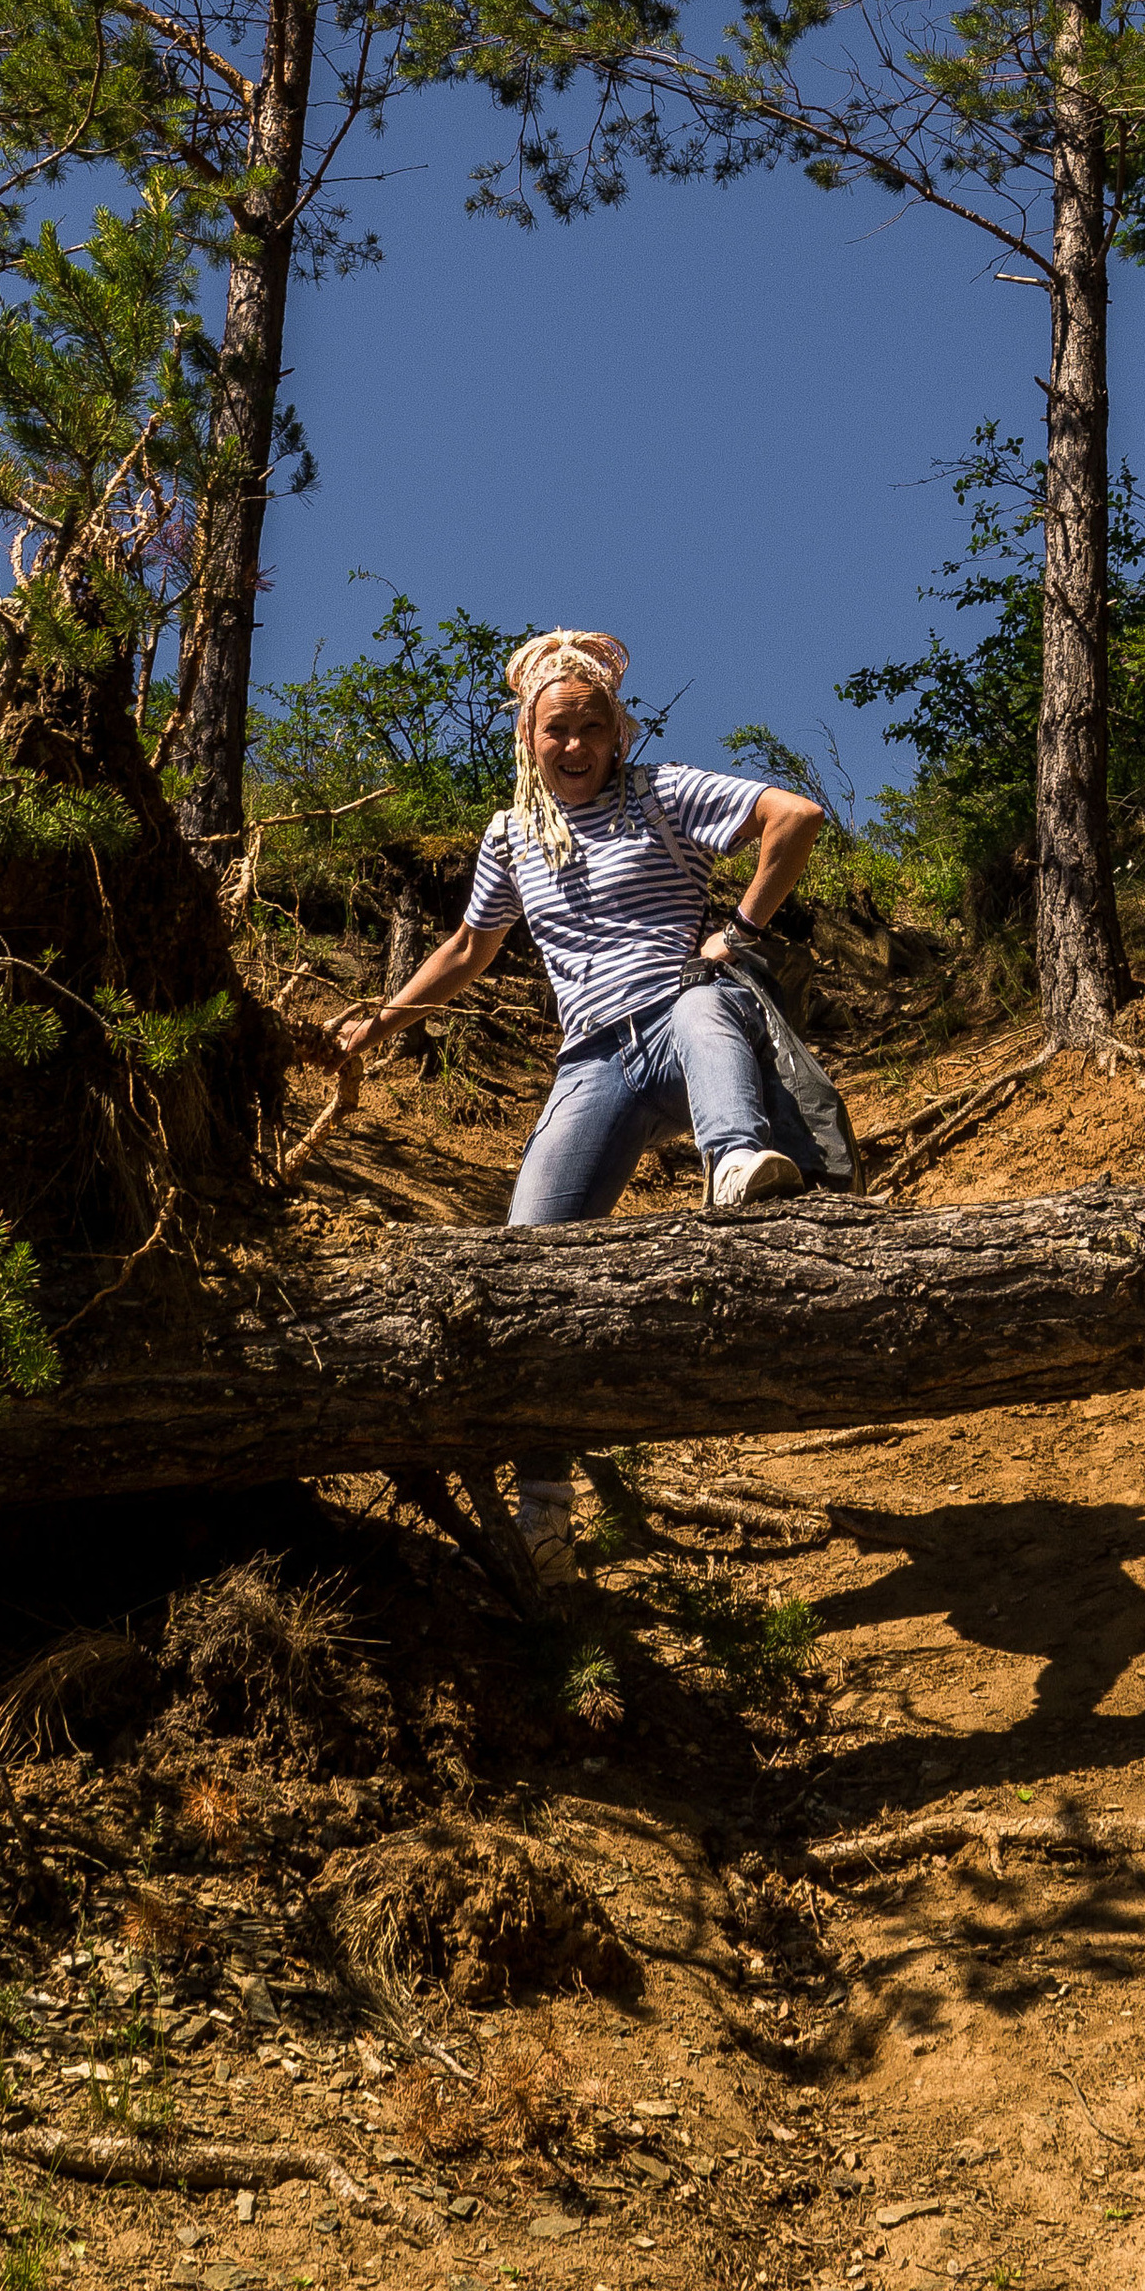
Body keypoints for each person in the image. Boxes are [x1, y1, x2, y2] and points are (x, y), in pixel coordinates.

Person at [332, 626, 827, 1585]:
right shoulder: (512, 835)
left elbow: (795, 816)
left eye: (592, 727)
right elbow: (470, 951)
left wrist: (737, 929)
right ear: (528, 737)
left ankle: (735, 1167)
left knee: (706, 997)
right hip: (591, 1062)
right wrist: (378, 1025)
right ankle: (547, 1519)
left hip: (686, 1013)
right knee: (527, 1270)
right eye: (557, 729)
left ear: (619, 731)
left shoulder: (663, 793)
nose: (575, 745)